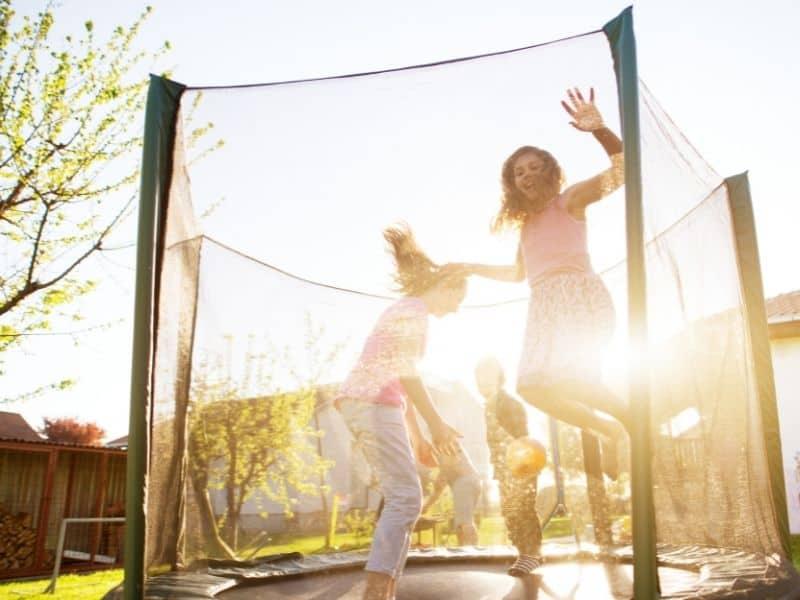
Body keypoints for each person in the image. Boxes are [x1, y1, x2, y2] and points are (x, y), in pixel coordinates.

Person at [447, 87, 629, 476]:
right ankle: (608, 426)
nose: (527, 174)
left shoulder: (570, 200)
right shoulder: (526, 225)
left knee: (574, 378)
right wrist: (471, 266)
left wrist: (599, 130)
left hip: (577, 298)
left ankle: (632, 417)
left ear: (549, 171)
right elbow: (517, 275)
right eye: (519, 172)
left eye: (534, 167)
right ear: (512, 184)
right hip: (544, 306)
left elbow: (623, 171)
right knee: (532, 385)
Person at [336, 223, 466, 600]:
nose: (457, 309)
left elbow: (398, 383)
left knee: (406, 495)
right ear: (448, 287)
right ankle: (376, 592)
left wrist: (419, 436)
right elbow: (408, 372)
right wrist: (438, 424)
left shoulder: (406, 309)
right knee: (406, 498)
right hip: (370, 403)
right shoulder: (413, 310)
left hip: (372, 402)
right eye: (459, 298)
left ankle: (385, 590)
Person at [475, 356, 543, 576]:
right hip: (505, 468)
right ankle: (525, 552)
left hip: (521, 465)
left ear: (499, 379)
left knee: (523, 509)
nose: (481, 384)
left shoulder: (508, 404)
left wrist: (522, 470)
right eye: (478, 380)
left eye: (486, 379)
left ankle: (531, 554)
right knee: (511, 511)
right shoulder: (489, 406)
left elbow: (521, 437)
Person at [420, 440, 481, 545]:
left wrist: (442, 473)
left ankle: (473, 555)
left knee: (464, 524)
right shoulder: (441, 443)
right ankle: (466, 553)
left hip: (464, 482)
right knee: (463, 524)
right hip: (472, 481)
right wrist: (424, 508)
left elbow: (452, 461)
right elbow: (438, 490)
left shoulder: (441, 441)